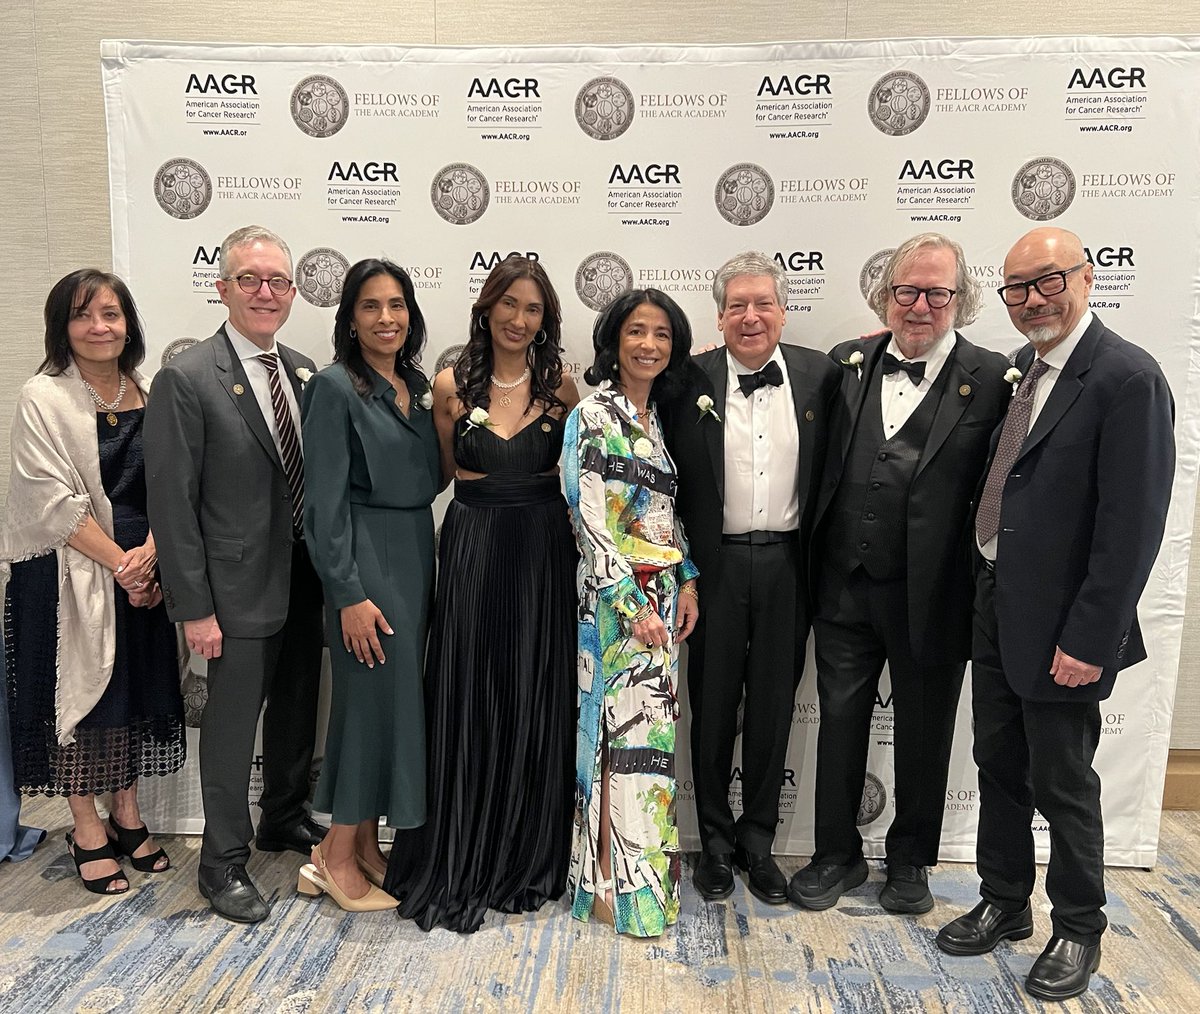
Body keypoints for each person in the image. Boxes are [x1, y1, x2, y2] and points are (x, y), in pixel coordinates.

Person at [937, 227, 1174, 1002]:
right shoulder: (1021, 372)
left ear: (1087, 277)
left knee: (1062, 781)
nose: (1032, 299)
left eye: (1047, 281)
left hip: (1065, 628)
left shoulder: (1126, 377)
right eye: (1016, 288)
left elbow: (1132, 526)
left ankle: (1079, 925)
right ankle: (1006, 902)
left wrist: (1090, 638)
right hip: (997, 607)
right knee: (998, 766)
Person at [789, 233, 1011, 915]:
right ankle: (836, 855)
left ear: (960, 300)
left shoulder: (993, 377)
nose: (919, 305)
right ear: (885, 295)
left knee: (925, 728)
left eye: (936, 293)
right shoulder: (845, 363)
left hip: (936, 593)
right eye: (905, 291)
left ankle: (911, 859)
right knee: (841, 719)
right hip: (843, 584)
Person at [385, 256, 579, 933]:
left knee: (530, 691)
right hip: (470, 550)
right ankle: (460, 850)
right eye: (510, 305)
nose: (520, 320)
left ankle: (521, 852)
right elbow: (433, 479)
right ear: (487, 308)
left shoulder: (563, 391)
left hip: (541, 559)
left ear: (545, 320)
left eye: (533, 310)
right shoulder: (447, 386)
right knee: (469, 693)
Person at [145, 225, 325, 923]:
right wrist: (194, 607)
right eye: (249, 279)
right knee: (228, 729)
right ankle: (221, 863)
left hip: (306, 580)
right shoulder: (187, 378)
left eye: (277, 280)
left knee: (297, 711)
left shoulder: (304, 371)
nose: (265, 292)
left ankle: (283, 816)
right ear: (222, 289)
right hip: (233, 593)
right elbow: (173, 502)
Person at [659, 252, 840, 906]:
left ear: (783, 312)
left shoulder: (822, 376)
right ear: (720, 315)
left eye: (763, 303)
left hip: (791, 564)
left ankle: (758, 842)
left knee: (772, 707)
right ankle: (711, 842)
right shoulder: (688, 380)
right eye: (737, 305)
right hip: (711, 568)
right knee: (709, 709)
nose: (751, 316)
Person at [2, 269, 185, 893]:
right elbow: (50, 502)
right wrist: (123, 563)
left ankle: (126, 811)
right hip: (68, 571)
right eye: (84, 315)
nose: (99, 326)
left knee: (132, 694)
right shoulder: (42, 396)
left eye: (111, 313)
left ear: (128, 322)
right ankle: (87, 825)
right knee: (84, 700)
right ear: (63, 326)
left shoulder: (150, 390)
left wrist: (152, 556)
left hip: (144, 564)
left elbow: (173, 485)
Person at [298, 259, 440, 912]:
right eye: (371, 307)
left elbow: (430, 480)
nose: (387, 318)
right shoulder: (333, 388)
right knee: (363, 709)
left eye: (397, 305)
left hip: (414, 554)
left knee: (392, 706)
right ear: (349, 320)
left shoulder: (415, 385)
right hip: (364, 564)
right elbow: (321, 509)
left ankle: (361, 845)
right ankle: (331, 854)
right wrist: (348, 594)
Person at [562, 288, 700, 938]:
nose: (649, 344)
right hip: (617, 609)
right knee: (617, 746)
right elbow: (589, 521)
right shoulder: (592, 415)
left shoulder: (658, 419)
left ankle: (647, 883)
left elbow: (664, 518)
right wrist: (630, 602)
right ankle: (612, 892)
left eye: (662, 334)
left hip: (663, 603)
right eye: (637, 332)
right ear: (614, 341)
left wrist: (689, 580)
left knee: (650, 748)